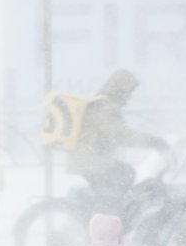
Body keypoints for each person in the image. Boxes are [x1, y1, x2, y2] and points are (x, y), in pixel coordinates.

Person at [67, 69, 169, 211]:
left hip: (88, 159)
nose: (128, 98)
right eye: (128, 93)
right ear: (120, 90)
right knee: (123, 177)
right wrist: (153, 141)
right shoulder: (104, 107)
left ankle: (103, 213)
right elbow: (121, 135)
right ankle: (105, 221)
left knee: (124, 175)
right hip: (90, 162)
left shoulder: (102, 104)